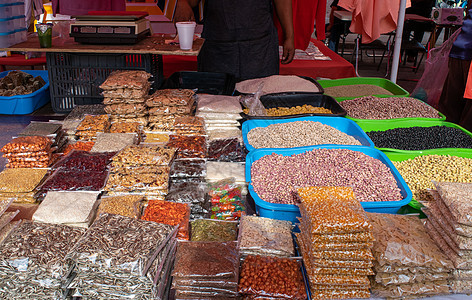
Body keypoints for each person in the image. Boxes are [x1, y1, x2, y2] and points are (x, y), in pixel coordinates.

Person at [174, 0, 295, 81]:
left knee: (261, 103)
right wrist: (181, 2)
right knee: (215, 105)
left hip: (260, 47)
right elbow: (192, 2)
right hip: (217, 47)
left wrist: (289, 36)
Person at [438, 3, 472, 131]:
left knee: (449, 111)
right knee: (467, 124)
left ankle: (444, 145)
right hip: (464, 53)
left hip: (461, 48)